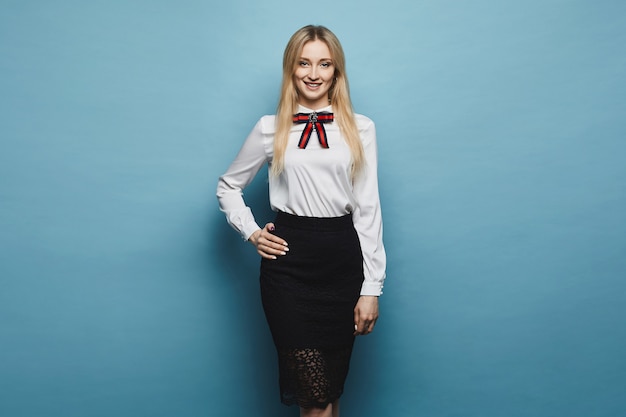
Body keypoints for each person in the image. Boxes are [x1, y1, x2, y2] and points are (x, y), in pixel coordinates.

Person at [216, 24, 386, 417]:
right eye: (304, 63)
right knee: (314, 398)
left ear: (336, 71)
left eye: (324, 64)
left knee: (330, 393)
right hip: (289, 269)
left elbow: (368, 209)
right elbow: (228, 187)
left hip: (343, 264)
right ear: (291, 70)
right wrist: (252, 232)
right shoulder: (269, 127)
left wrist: (371, 287)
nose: (314, 73)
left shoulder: (361, 128)